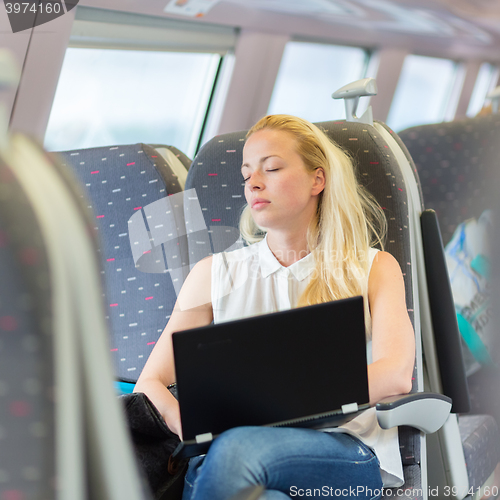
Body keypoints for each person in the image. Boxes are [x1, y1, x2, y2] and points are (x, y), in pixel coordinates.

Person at [134, 114, 415, 499]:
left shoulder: (371, 268)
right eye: (247, 174)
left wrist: (271, 402)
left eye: (273, 168)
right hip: (226, 456)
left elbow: (396, 374)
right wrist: (184, 420)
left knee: (238, 449)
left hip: (341, 451)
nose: (254, 183)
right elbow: (150, 382)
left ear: (318, 179)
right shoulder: (213, 274)